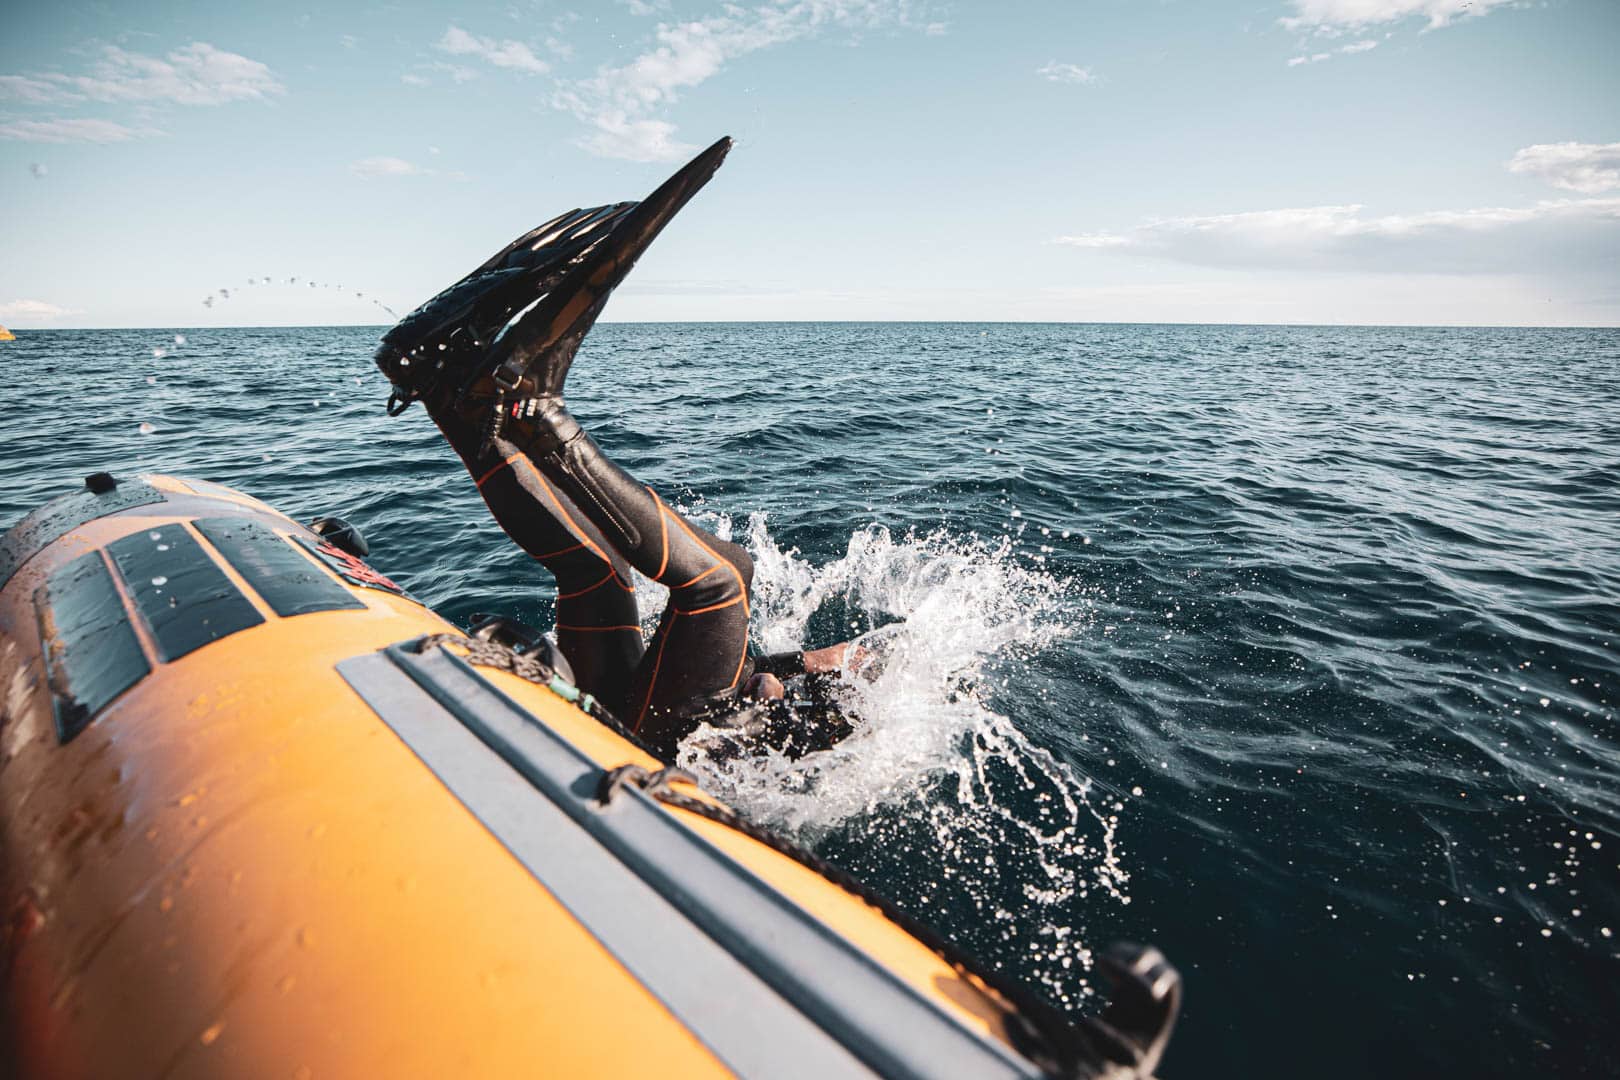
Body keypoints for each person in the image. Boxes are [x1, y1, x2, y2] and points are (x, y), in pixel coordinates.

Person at [374, 136, 859, 758]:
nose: (855, 655)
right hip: (636, 724)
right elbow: (771, 676)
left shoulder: (833, 727)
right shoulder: (811, 686)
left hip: (668, 760)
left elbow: (771, 716)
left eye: (865, 664)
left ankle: (539, 416)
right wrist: (780, 677)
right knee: (597, 573)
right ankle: (448, 392)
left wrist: (773, 693)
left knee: (725, 578)